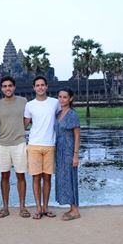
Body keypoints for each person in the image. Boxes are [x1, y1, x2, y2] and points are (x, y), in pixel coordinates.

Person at [0, 76, 30, 218]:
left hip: (19, 143)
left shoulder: (23, 102)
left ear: (14, 87)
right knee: (4, 176)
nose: (7, 88)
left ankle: (22, 207)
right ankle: (5, 207)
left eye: (10, 86)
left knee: (21, 175)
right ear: (1, 89)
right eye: (4, 86)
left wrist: (21, 129)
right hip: (2, 144)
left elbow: (28, 119)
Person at [24, 76, 60, 219]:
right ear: (34, 88)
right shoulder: (29, 105)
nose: (40, 87)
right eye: (37, 85)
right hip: (34, 145)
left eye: (42, 85)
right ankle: (38, 208)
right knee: (35, 178)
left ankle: (46, 207)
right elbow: (25, 123)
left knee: (47, 178)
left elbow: (61, 117)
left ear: (46, 87)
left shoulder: (55, 103)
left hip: (50, 144)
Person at [55, 87, 81, 221]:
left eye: (65, 97)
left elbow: (77, 136)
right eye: (60, 97)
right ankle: (71, 207)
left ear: (70, 98)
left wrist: (75, 155)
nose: (62, 99)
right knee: (63, 179)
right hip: (59, 152)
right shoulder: (58, 114)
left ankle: (75, 210)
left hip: (69, 151)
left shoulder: (72, 114)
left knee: (71, 179)